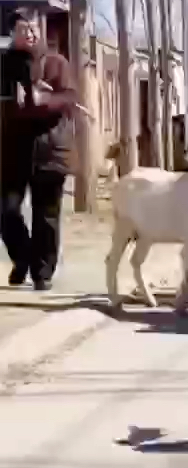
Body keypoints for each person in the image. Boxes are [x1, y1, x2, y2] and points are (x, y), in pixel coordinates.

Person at [0, 9, 77, 290]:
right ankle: (22, 258)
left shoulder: (57, 63)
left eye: (33, 28)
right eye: (23, 29)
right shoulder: (4, 64)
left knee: (46, 215)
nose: (30, 33)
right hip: (12, 149)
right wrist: (16, 103)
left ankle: (42, 273)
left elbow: (68, 98)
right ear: (12, 34)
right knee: (6, 210)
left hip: (50, 150)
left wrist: (42, 98)